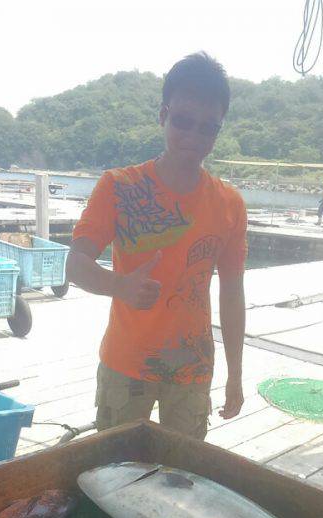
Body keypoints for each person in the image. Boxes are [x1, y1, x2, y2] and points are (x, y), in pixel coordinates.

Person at [67, 52, 247, 440]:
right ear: (163, 114)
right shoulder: (118, 187)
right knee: (115, 472)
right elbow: (75, 264)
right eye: (183, 121)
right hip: (125, 365)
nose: (193, 137)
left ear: (217, 131)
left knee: (183, 480)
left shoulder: (230, 204)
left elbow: (232, 292)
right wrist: (120, 285)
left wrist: (236, 374)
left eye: (207, 128)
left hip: (193, 370)